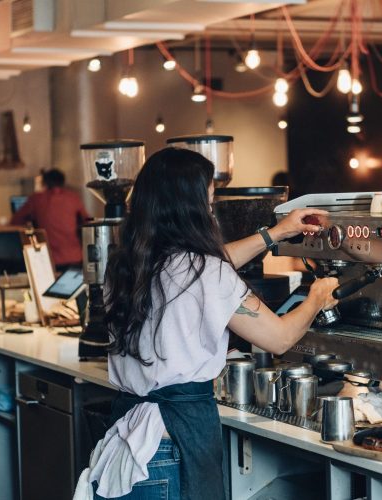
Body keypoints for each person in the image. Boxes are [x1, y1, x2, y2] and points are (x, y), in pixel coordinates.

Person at [75, 148, 338, 500]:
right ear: (191, 209)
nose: (211, 213)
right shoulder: (206, 273)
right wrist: (317, 297)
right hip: (172, 454)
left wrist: (276, 233)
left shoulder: (124, 266)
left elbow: (203, 267)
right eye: (209, 204)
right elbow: (280, 338)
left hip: (129, 449)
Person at [11, 169, 89, 271]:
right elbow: (87, 221)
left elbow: (15, 220)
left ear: (45, 182)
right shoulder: (73, 198)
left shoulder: (36, 199)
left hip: (49, 259)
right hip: (75, 257)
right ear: (63, 182)